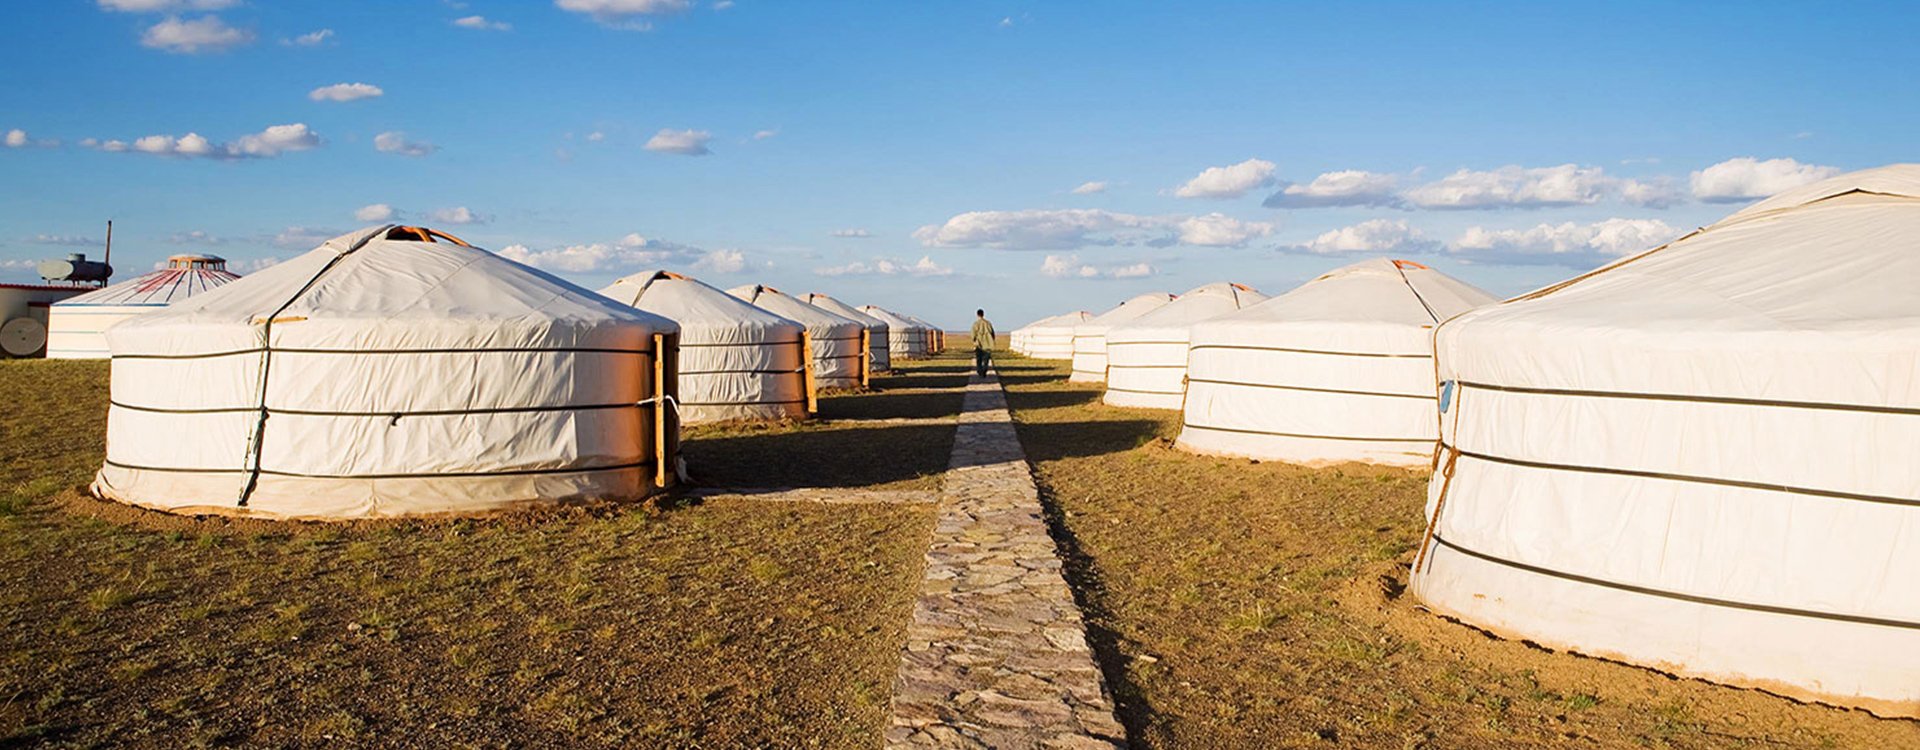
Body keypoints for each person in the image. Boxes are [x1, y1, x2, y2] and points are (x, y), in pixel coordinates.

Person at [970, 308, 995, 377]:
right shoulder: (988, 323)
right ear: (983, 314)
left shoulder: (975, 324)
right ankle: (984, 370)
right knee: (986, 359)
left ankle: (979, 370)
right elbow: (992, 333)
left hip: (979, 344)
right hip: (987, 344)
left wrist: (974, 341)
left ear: (977, 315)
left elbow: (973, 335)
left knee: (979, 359)